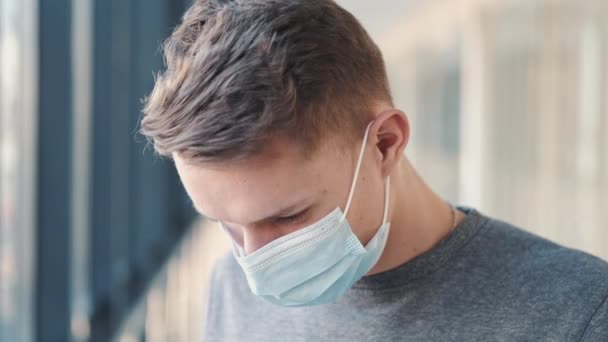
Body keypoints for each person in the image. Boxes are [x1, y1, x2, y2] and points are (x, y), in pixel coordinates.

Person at [139, 0, 608, 340]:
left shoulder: (577, 313)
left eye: (288, 217)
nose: (256, 263)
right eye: (225, 222)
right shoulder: (230, 288)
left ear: (385, 143)